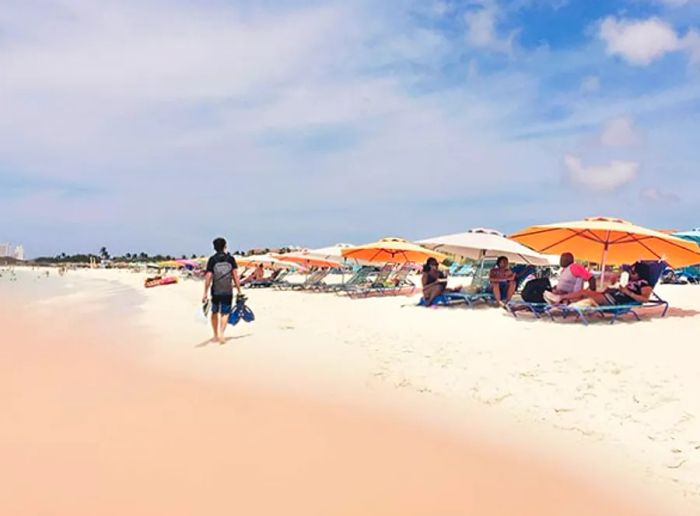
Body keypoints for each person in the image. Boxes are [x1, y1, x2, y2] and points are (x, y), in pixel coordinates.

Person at [557, 262, 652, 307]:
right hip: (613, 295)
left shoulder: (644, 284)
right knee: (583, 292)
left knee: (586, 297)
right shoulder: (633, 280)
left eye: (633, 272)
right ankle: (561, 298)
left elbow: (645, 299)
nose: (631, 274)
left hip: (616, 300)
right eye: (631, 271)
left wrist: (627, 292)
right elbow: (624, 268)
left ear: (641, 273)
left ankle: (565, 301)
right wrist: (616, 281)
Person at [203, 237, 242, 343]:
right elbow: (235, 276)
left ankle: (215, 334)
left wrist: (205, 293)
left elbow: (208, 277)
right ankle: (222, 334)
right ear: (225, 246)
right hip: (227, 291)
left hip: (216, 291)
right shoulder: (230, 259)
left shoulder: (212, 260)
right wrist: (239, 290)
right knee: (225, 313)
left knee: (214, 312)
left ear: (214, 248)